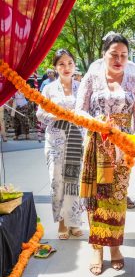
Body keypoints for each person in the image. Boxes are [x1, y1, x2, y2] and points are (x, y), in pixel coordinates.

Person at [75, 33, 135, 275]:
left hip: (121, 149)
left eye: (123, 55)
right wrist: (98, 123)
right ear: (103, 55)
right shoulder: (91, 79)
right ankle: (97, 247)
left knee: (116, 198)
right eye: (113, 54)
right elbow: (79, 111)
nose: (118, 59)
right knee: (95, 199)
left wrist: (132, 142)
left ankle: (115, 247)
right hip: (95, 145)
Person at [36, 49, 83, 240]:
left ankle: (74, 222)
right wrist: (60, 115)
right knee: (57, 181)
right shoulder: (48, 88)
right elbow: (40, 114)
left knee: (74, 181)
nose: (66, 67)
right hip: (55, 140)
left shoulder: (82, 87)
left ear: (74, 65)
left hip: (76, 140)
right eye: (62, 64)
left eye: (70, 63)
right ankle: (62, 222)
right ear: (55, 67)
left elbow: (88, 112)